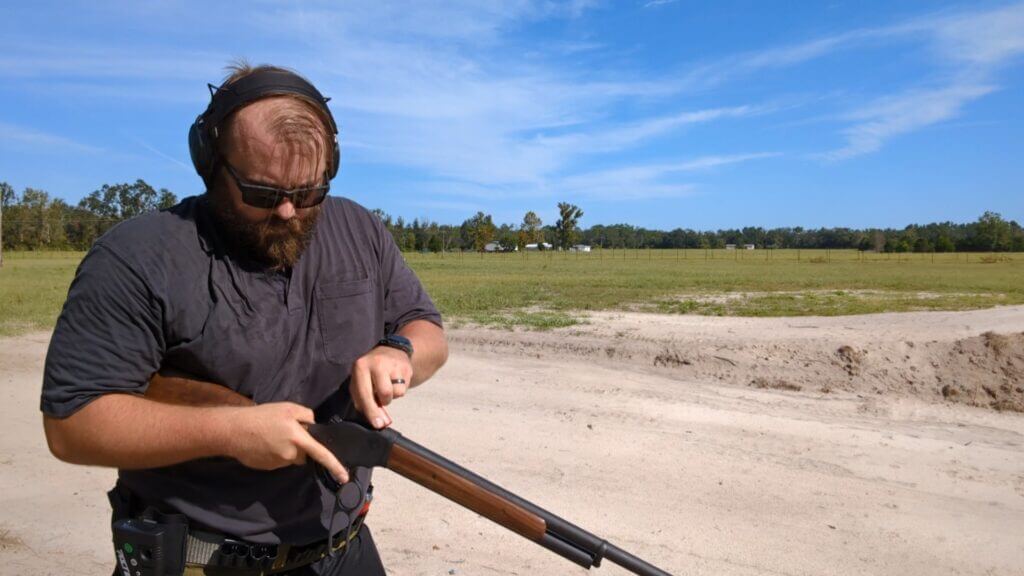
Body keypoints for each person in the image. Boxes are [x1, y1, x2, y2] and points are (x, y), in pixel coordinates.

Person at [40, 63, 448, 575]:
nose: (287, 213)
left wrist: (400, 352)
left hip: (343, 552)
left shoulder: (359, 229)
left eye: (307, 193)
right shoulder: (137, 256)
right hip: (199, 562)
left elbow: (426, 329)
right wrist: (229, 432)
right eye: (261, 194)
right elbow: (71, 424)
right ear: (210, 163)